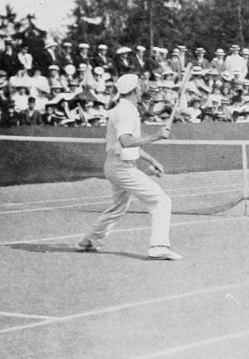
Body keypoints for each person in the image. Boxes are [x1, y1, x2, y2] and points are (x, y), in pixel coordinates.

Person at [76, 73, 182, 260]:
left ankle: (89, 241)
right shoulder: (126, 111)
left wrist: (152, 160)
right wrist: (156, 136)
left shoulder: (125, 109)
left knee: (118, 207)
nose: (142, 89)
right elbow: (126, 141)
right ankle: (158, 246)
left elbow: (128, 144)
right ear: (134, 90)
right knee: (161, 201)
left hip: (116, 165)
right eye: (140, 86)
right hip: (122, 168)